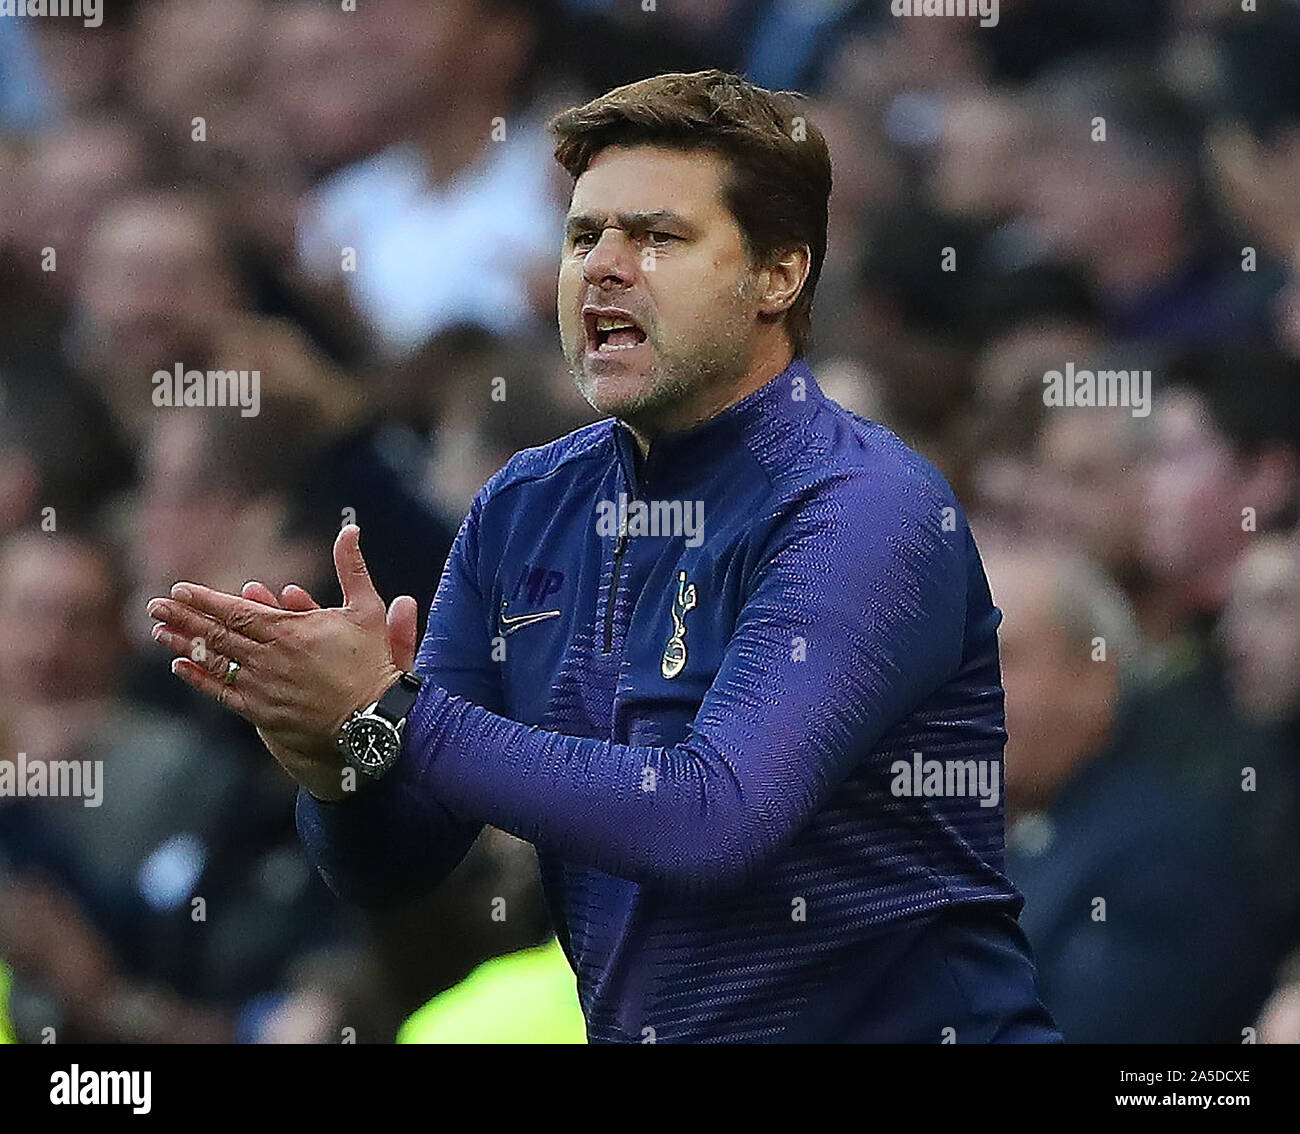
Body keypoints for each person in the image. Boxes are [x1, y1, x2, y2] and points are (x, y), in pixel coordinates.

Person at [147, 70, 1059, 1043]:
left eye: (657, 236)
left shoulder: (863, 510)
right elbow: (401, 858)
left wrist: (388, 709)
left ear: (778, 275)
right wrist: (334, 754)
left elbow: (714, 820)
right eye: (583, 237)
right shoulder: (526, 506)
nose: (603, 268)